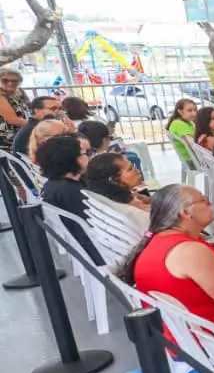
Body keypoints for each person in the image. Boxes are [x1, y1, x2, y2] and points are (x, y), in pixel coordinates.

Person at [121, 185, 214, 329]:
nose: (209, 203)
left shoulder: (158, 241)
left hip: (181, 334)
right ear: (186, 213)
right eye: (203, 200)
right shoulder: (190, 252)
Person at [35, 133, 99, 261]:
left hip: (78, 247)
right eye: (84, 153)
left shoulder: (53, 185)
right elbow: (94, 225)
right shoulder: (73, 192)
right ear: (71, 160)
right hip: (96, 250)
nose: (88, 157)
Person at [84, 152, 150, 232]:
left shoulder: (109, 198)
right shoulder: (136, 212)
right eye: (130, 169)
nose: (138, 171)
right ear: (113, 180)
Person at [0, 67, 31, 151]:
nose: (10, 83)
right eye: (5, 80)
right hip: (9, 136)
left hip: (24, 129)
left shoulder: (20, 91)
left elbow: (31, 108)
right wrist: (38, 124)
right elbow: (13, 120)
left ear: (20, 81)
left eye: (14, 81)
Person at [166, 98, 197, 162]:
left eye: (195, 110)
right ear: (180, 111)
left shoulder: (188, 122)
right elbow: (193, 145)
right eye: (189, 111)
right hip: (192, 160)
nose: (194, 113)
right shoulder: (179, 124)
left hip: (191, 158)